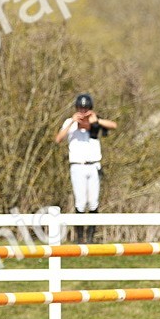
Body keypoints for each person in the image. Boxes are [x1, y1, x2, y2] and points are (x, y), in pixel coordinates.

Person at [54, 93, 117, 243]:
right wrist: (72, 123)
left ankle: (90, 237)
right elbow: (58, 139)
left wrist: (97, 120)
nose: (83, 111)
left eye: (86, 108)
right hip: (78, 166)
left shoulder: (94, 123)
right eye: (81, 108)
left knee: (94, 201)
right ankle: (80, 238)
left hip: (93, 165)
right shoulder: (70, 122)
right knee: (80, 202)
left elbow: (113, 125)